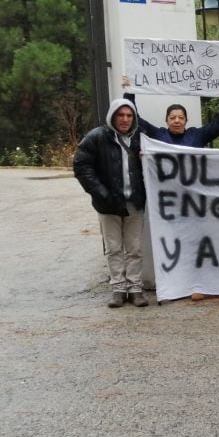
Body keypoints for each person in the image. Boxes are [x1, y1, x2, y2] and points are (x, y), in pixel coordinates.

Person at [73, 99, 148, 308]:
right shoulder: (96, 137)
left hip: (134, 201)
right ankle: (118, 288)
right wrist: (101, 193)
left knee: (134, 248)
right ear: (113, 116)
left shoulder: (140, 139)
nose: (125, 119)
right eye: (120, 115)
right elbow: (81, 165)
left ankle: (135, 289)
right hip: (108, 204)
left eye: (129, 115)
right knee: (114, 248)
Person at [120, 75, 219, 146]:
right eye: (172, 118)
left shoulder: (197, 135)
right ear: (166, 120)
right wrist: (129, 92)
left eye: (181, 118)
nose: (177, 121)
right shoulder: (157, 134)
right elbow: (136, 120)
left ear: (186, 121)